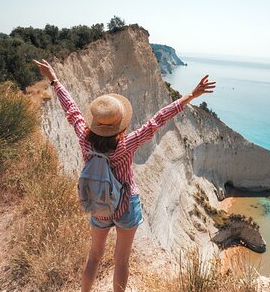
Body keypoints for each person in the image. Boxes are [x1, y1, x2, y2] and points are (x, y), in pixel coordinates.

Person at [32, 59, 216, 292]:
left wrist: (54, 79)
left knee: (94, 257)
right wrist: (190, 95)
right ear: (120, 125)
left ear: (95, 123)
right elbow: (157, 120)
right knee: (121, 261)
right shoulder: (126, 145)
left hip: (98, 204)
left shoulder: (84, 140)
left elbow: (72, 111)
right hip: (126, 206)